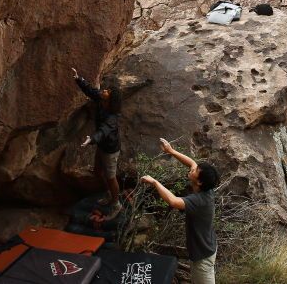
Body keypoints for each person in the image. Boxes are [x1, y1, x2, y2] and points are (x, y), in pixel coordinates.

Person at [141, 138, 219, 284]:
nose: (193, 169)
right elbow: (191, 162)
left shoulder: (200, 201)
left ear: (200, 181)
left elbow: (173, 201)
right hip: (206, 247)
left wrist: (155, 182)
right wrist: (170, 151)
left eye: (195, 171)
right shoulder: (205, 188)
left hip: (203, 256)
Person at [71, 67, 123, 219]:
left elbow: (103, 131)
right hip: (102, 146)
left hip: (110, 150)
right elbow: (91, 91)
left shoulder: (112, 118)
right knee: (97, 172)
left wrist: (91, 139)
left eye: (107, 92)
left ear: (110, 100)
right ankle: (108, 194)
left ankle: (116, 204)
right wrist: (78, 79)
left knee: (111, 177)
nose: (104, 91)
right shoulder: (101, 100)